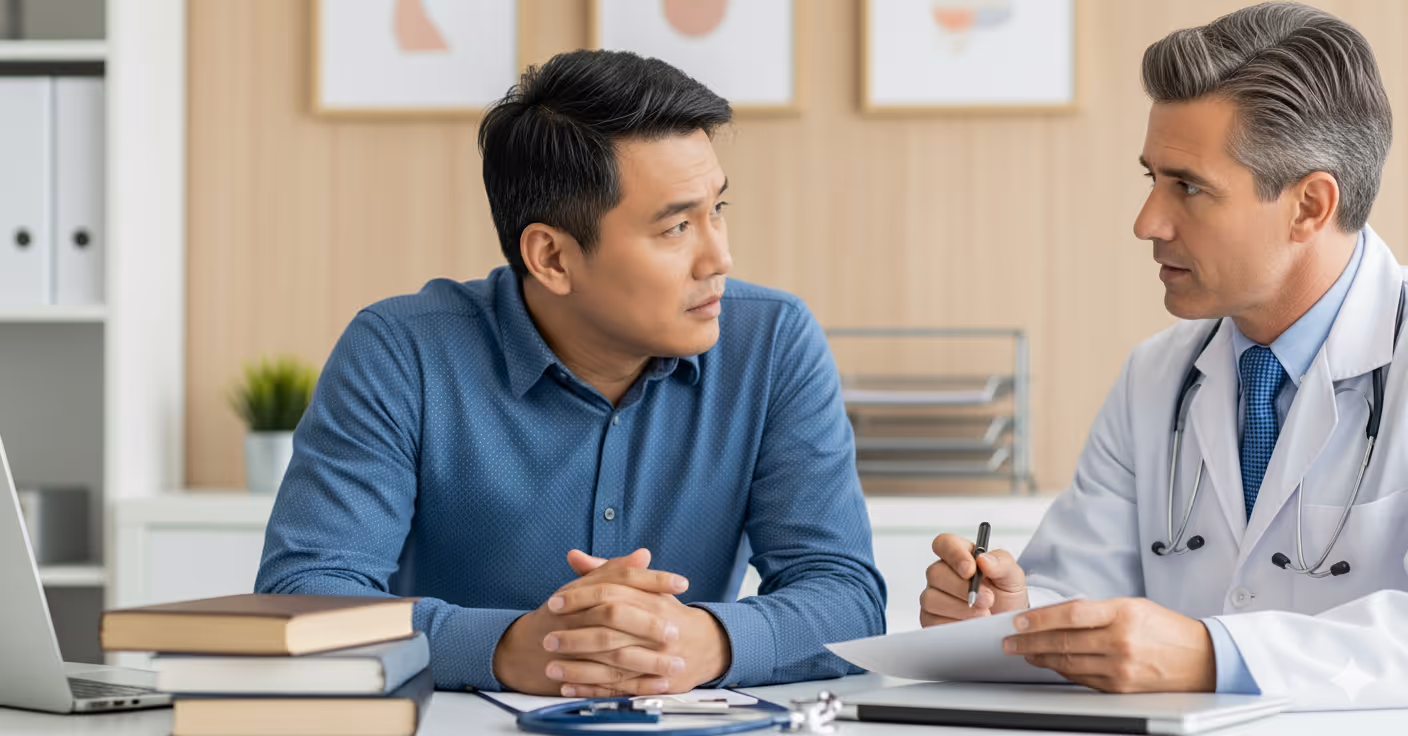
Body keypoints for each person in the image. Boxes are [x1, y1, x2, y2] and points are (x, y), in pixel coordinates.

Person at [255, 49, 885, 697]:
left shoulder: (772, 341)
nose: (719, 257)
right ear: (552, 257)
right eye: (675, 227)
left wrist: (706, 641)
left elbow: (846, 595)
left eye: (717, 210)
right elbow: (301, 599)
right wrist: (500, 649)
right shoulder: (400, 351)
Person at [922, 2, 1408, 709]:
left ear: (1309, 206)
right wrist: (1010, 617)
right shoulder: (1158, 376)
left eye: (1187, 186)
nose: (1147, 221)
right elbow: (1080, 586)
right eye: (1149, 178)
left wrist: (1212, 653)